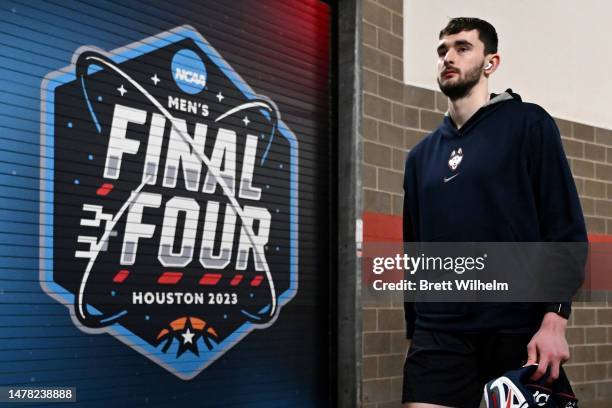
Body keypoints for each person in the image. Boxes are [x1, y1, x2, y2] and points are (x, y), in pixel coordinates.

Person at [401, 17, 587, 408]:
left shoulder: (529, 124)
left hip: (516, 330)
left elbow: (564, 229)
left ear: (491, 62)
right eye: (442, 50)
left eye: (462, 48)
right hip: (440, 334)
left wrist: (555, 320)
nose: (448, 57)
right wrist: (413, 334)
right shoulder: (420, 157)